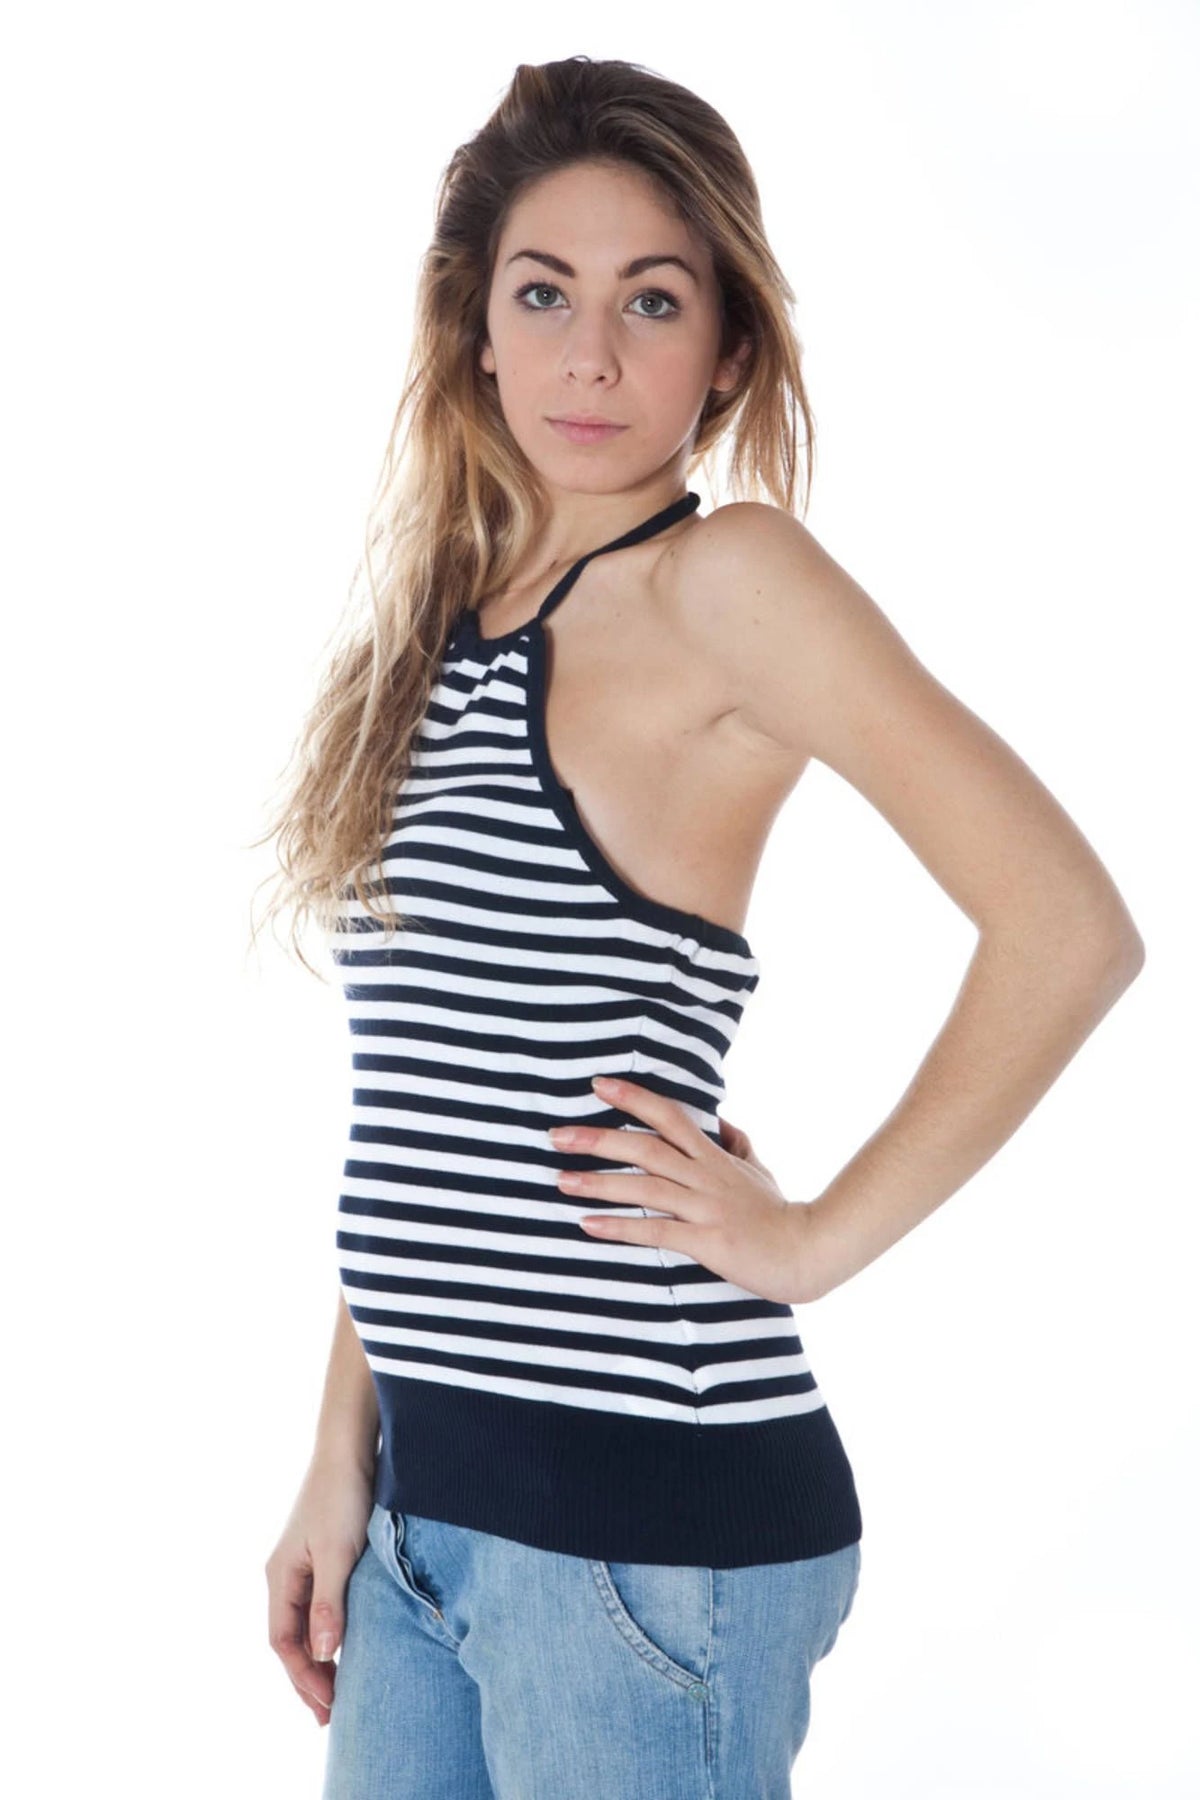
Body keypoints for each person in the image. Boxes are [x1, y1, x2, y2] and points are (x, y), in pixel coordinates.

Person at [253, 54, 1145, 1800]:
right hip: (422, 1522)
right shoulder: (441, 625)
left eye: (651, 301)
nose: (590, 354)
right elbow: (434, 1100)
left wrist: (808, 1240)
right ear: (477, 330)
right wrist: (338, 1457)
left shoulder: (728, 583)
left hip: (640, 1543)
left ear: (728, 349)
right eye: (545, 294)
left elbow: (1068, 926)